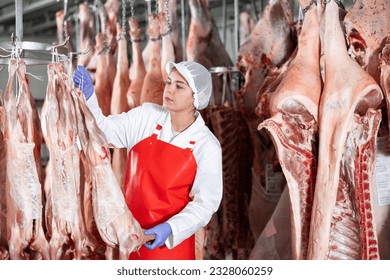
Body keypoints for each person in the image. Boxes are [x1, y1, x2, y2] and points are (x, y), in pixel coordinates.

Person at [73, 61, 223, 260]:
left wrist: (169, 229)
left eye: (179, 86)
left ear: (197, 97)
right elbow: (103, 132)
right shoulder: (147, 117)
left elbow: (205, 205)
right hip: (130, 239)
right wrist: (89, 99)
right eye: (169, 82)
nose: (169, 90)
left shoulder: (207, 145)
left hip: (173, 247)